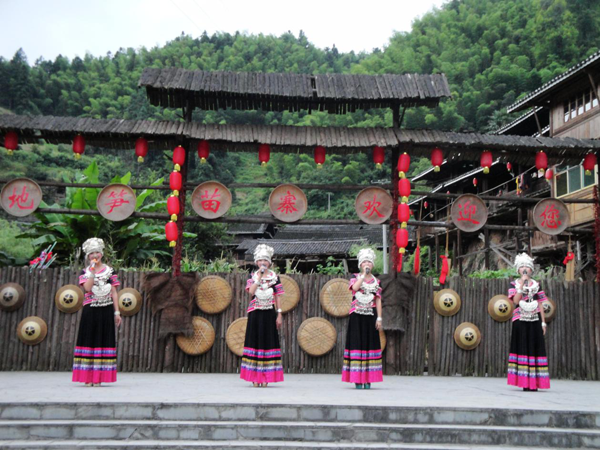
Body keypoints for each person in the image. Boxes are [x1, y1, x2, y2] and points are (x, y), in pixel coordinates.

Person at [72, 238, 121, 386]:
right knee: (89, 340)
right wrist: (92, 272)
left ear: (101, 254)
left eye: (97, 252)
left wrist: (117, 312)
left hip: (106, 309)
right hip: (90, 310)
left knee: (103, 340)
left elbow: (114, 292)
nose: (95, 255)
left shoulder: (110, 271)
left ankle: (99, 377)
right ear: (88, 256)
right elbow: (87, 288)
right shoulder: (85, 272)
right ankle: (87, 377)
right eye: (91, 253)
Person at [240, 244, 284, 387]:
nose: (262, 263)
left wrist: (279, 314)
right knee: (255, 340)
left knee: (268, 341)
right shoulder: (252, 276)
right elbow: (251, 292)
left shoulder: (275, 277)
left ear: (269, 262)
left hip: (269, 313)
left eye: (265, 260)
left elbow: (278, 296)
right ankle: (254, 376)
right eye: (260, 260)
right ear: (256, 262)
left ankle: (266, 376)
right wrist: (258, 278)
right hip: (255, 313)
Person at [507, 253, 550, 391]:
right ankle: (524, 382)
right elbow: (515, 301)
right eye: (522, 266)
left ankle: (535, 383)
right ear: (518, 269)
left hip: (535, 318)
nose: (524, 269)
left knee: (535, 346)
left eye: (527, 266)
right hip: (520, 319)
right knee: (522, 346)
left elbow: (541, 303)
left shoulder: (537, 285)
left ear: (531, 269)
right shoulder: (513, 284)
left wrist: (543, 322)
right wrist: (522, 284)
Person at [342, 248, 383, 389]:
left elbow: (378, 300)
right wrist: (363, 275)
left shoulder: (377, 281)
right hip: (357, 316)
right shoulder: (354, 277)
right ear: (360, 264)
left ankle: (369, 378)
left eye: (369, 262)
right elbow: (354, 288)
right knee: (357, 343)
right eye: (364, 262)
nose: (367, 264)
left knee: (370, 344)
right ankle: (357, 379)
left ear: (373, 265)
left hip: (371, 315)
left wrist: (379, 318)